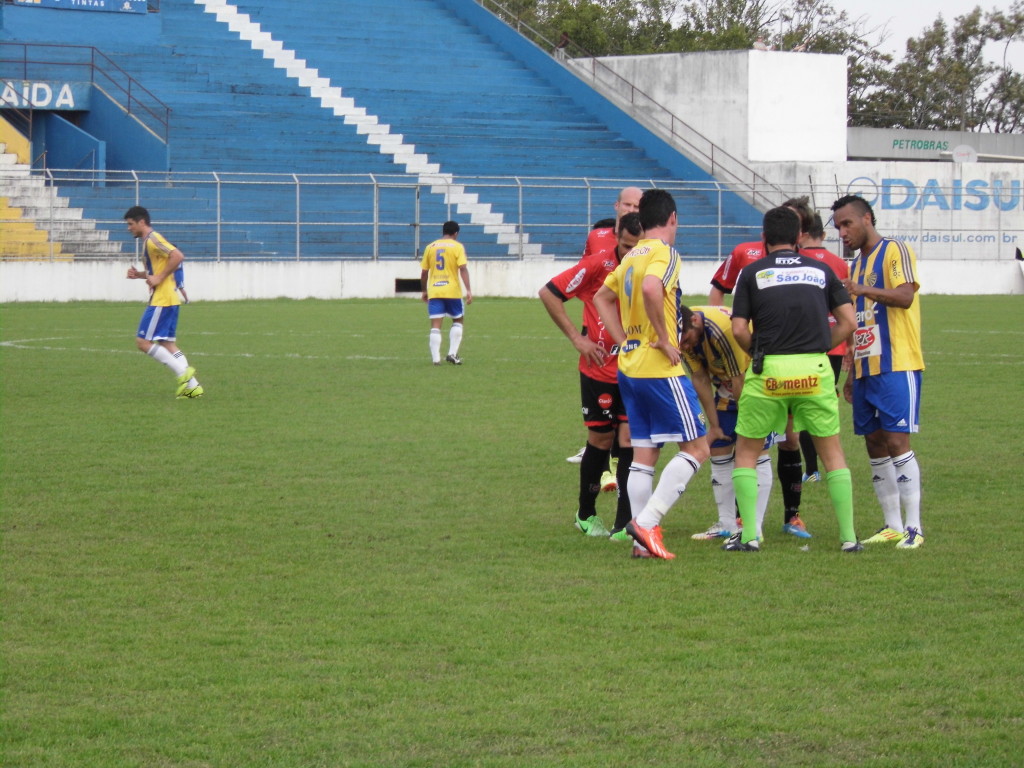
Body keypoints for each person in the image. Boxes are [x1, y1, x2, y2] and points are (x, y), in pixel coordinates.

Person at [726, 206, 860, 553]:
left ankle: (750, 536)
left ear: (764, 238)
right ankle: (848, 538)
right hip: (814, 370)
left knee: (748, 452)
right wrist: (818, 347)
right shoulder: (821, 270)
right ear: (799, 237)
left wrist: (759, 349)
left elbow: (738, 328)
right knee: (832, 453)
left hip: (769, 370)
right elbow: (848, 322)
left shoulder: (752, 272)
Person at [594, 189, 710, 560]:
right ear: (673, 218)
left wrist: (624, 340)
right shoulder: (665, 253)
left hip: (630, 365)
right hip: (660, 367)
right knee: (698, 447)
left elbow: (601, 298)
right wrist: (662, 337)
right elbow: (651, 287)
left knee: (644, 453)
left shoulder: (631, 256)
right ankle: (647, 522)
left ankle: (639, 544)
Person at [540, 213, 643, 540]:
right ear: (616, 235)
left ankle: (624, 523)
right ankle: (585, 514)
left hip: (636, 369)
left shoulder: (650, 265)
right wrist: (576, 337)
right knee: (600, 440)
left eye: (636, 248)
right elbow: (549, 293)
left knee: (629, 441)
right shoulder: (597, 265)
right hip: (599, 369)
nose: (630, 253)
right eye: (625, 246)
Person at [831, 194, 925, 550]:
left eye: (847, 223)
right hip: (867, 367)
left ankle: (914, 527)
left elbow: (905, 297)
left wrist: (863, 289)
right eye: (838, 226)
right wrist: (852, 371)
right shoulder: (855, 266)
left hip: (897, 362)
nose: (842, 232)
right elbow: (857, 323)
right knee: (873, 443)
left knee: (897, 441)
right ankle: (892, 525)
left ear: (866, 219)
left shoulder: (894, 250)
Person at [678, 306, 776, 542]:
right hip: (727, 385)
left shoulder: (723, 330)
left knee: (756, 450)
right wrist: (714, 425)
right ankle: (727, 524)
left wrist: (748, 423)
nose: (685, 347)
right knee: (719, 446)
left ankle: (756, 527)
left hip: (755, 381)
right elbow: (699, 378)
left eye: (687, 340)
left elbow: (739, 377)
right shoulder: (684, 333)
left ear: (695, 321)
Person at [564, 186, 642, 464]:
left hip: (634, 343)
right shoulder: (596, 238)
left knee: (628, 425)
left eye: (637, 207)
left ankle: (620, 470)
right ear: (616, 206)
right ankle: (600, 455)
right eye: (628, 205)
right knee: (602, 420)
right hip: (599, 341)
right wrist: (584, 330)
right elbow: (585, 275)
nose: (632, 211)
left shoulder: (648, 244)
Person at [124, 206, 203, 399]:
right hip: (168, 298)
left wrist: (158, 278)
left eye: (130, 224)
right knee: (167, 343)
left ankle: (182, 373)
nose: (129, 228)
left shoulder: (153, 239)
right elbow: (158, 269)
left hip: (163, 299)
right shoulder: (148, 242)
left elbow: (177, 256)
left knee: (143, 342)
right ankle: (193, 388)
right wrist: (140, 275)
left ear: (141, 222)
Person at [797, 211, 848, 483]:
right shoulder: (839, 264)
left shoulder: (797, 261)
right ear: (824, 235)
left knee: (801, 408)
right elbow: (847, 306)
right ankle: (834, 464)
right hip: (835, 344)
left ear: (801, 234)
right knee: (825, 405)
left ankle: (811, 469)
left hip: (804, 343)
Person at [420, 221, 472, 366]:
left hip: (435, 290)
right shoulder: (457, 246)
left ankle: (436, 359)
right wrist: (468, 290)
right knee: (458, 320)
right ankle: (452, 354)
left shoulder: (430, 247)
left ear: (443, 231)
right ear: (456, 233)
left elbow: (424, 273)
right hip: (452, 291)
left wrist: (424, 290)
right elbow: (462, 268)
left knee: (435, 325)